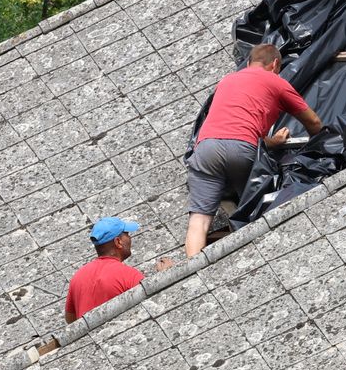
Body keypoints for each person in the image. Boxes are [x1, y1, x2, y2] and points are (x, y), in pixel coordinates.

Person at [184, 43, 323, 257]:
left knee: (199, 220)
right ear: (276, 64)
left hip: (205, 149)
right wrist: (322, 148)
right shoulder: (275, 81)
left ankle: (193, 268)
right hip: (242, 151)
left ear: (248, 63)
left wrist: (271, 141)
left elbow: (233, 126)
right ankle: (261, 254)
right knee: (255, 206)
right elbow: (313, 122)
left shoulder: (227, 80)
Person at [65, 217, 174, 322]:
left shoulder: (78, 277)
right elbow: (154, 306)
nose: (130, 238)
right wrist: (165, 277)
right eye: (127, 235)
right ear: (118, 242)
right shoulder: (129, 276)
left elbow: (70, 319)